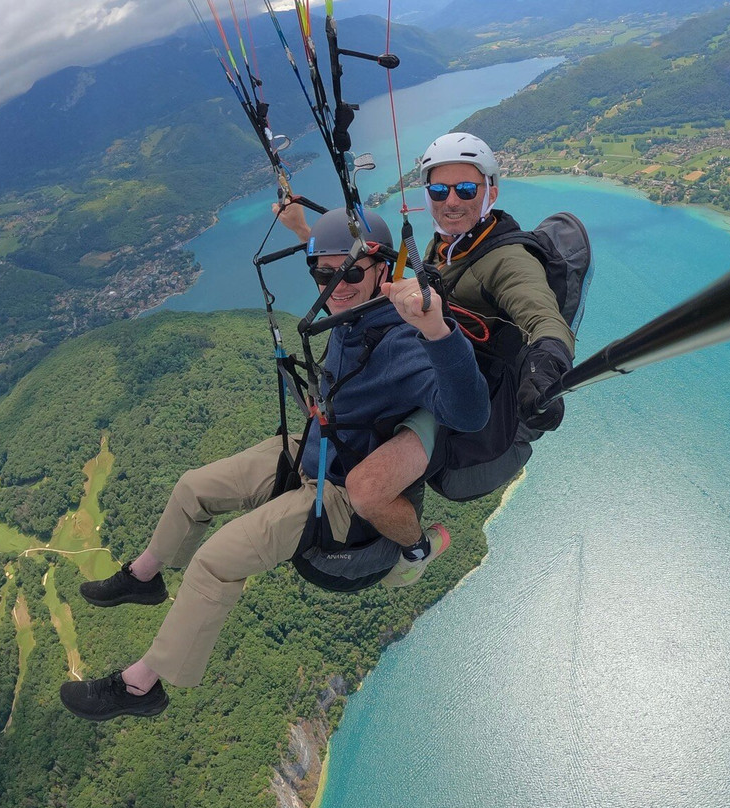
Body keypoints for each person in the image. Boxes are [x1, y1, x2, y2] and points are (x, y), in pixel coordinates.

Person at [60, 208, 488, 721]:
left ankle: (140, 686)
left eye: (349, 274)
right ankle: (144, 575)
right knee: (192, 487)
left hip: (339, 492)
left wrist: (439, 332)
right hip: (312, 446)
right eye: (322, 275)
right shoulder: (351, 307)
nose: (335, 286)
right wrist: (305, 230)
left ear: (384, 271)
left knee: (216, 561)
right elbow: (338, 256)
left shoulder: (406, 338)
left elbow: (469, 412)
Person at [276, 132, 575, 538]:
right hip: (430, 370)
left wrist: (548, 368)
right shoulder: (446, 246)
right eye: (439, 189)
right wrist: (305, 232)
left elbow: (543, 317)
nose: (451, 201)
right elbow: (371, 274)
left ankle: (414, 548)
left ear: (491, 192)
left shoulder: (507, 260)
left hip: (461, 396)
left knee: (368, 487)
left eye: (466, 189)